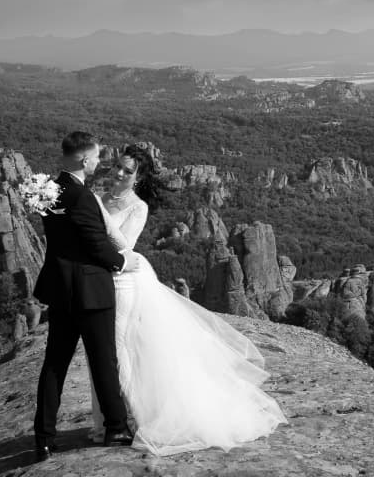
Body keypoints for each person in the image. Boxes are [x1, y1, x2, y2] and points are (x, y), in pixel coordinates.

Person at [86, 143, 287, 455]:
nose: (120, 173)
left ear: (138, 178)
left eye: (129, 171)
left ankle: (126, 420)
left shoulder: (138, 206)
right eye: (119, 167)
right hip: (98, 278)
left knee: (117, 348)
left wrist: (96, 209)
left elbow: (124, 243)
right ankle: (106, 423)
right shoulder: (102, 198)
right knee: (99, 350)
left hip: (124, 281)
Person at [32, 131, 137, 462]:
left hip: (60, 289)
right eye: (95, 157)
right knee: (104, 359)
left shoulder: (47, 190)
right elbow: (95, 243)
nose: (98, 162)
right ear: (82, 159)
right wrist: (123, 261)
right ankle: (116, 427)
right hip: (91, 290)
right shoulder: (82, 196)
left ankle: (44, 437)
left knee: (54, 363)